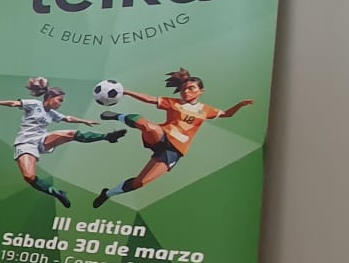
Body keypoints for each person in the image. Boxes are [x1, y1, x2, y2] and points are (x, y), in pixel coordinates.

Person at [93, 68, 254, 207]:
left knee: (140, 182)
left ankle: (107, 194)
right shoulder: (173, 103)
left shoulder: (207, 110)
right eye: (184, 88)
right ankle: (118, 116)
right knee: (148, 126)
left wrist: (239, 105)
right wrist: (125, 91)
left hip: (175, 151)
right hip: (161, 136)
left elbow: (227, 114)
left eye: (191, 88)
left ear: (201, 91)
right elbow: (149, 99)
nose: (186, 91)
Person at [0, 77, 124, 207]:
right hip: (25, 144)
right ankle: (57, 193)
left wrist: (84, 121)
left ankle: (108, 137)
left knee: (70, 133)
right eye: (59, 100)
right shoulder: (34, 104)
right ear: (50, 97)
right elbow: (14, 103)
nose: (60, 104)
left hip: (42, 140)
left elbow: (67, 118)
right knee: (29, 176)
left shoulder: (52, 114)